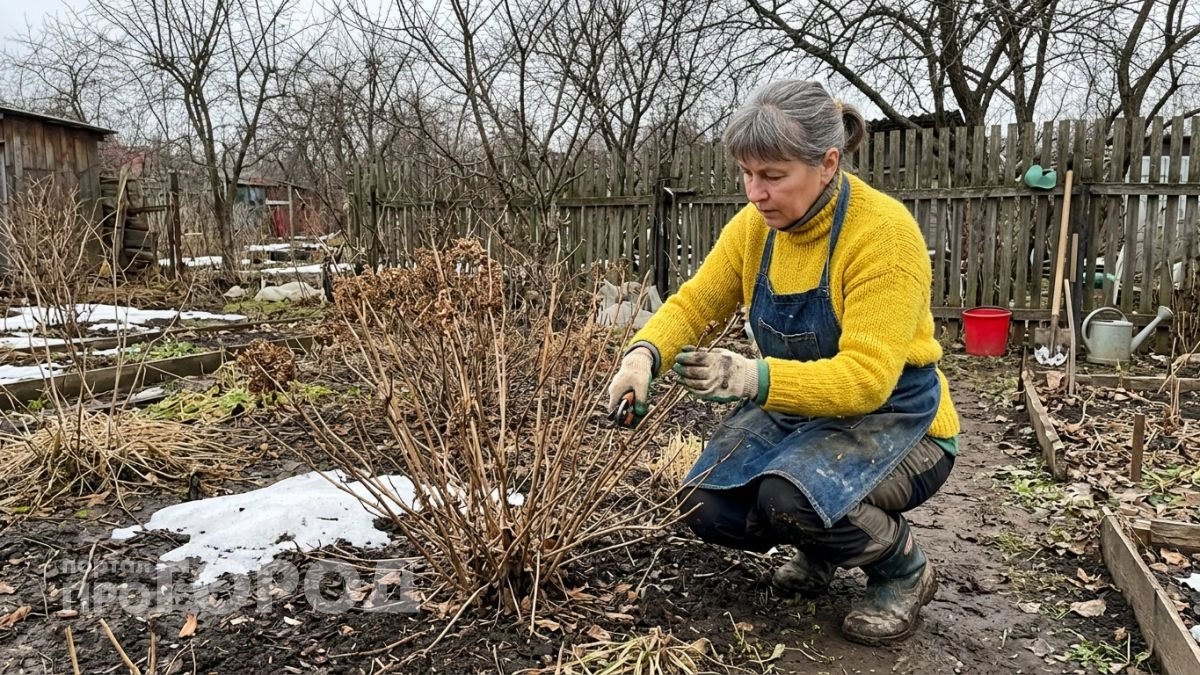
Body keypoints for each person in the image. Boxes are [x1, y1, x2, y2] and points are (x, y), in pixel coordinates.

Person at [606, 79, 960, 645]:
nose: (755, 192)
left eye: (772, 176)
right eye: (747, 174)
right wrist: (642, 356)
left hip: (898, 421)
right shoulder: (756, 229)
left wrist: (751, 376)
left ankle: (903, 569)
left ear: (827, 163)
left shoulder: (884, 235)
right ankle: (821, 550)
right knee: (706, 503)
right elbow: (696, 302)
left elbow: (867, 380)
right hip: (800, 410)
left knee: (789, 498)